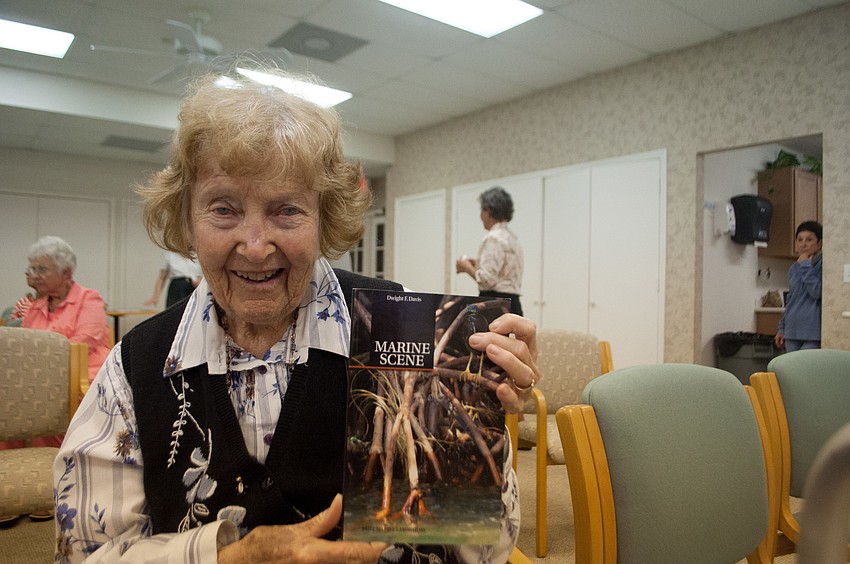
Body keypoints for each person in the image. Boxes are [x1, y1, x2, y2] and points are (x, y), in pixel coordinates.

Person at [54, 65, 540, 563]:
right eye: (224, 209)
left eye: (287, 209)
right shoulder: (137, 366)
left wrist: (480, 437)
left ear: (325, 216)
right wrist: (226, 558)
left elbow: (481, 551)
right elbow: (85, 555)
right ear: (186, 218)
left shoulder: (407, 330)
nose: (256, 245)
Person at [22, 235, 110, 383]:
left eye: (42, 269)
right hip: (41, 377)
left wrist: (36, 358)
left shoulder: (89, 299)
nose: (35, 276)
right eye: (33, 269)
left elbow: (81, 345)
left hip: (83, 379)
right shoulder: (37, 306)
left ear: (66, 273)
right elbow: (23, 345)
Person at [456, 186, 525, 316]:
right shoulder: (512, 238)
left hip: (495, 305)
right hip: (514, 304)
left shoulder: (493, 238)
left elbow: (487, 280)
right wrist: (477, 263)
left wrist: (466, 267)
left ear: (488, 210)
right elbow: (503, 270)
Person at [774, 220, 823, 351]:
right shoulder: (794, 268)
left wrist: (806, 265)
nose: (803, 244)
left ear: (819, 243)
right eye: (800, 240)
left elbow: (817, 292)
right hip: (792, 330)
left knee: (807, 370)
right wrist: (782, 328)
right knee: (791, 370)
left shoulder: (823, 265)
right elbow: (791, 299)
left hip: (812, 332)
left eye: (809, 240)